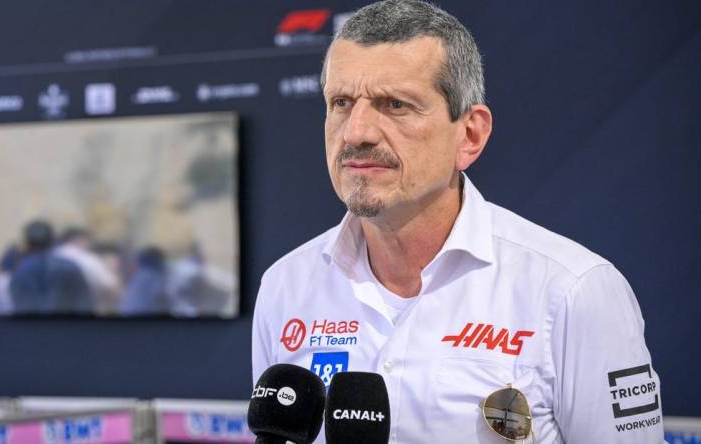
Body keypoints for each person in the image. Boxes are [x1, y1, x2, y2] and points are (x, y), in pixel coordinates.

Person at [251, 1, 664, 443]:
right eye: (341, 102)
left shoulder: (572, 291)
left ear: (470, 135)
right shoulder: (286, 286)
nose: (356, 132)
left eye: (395, 104)